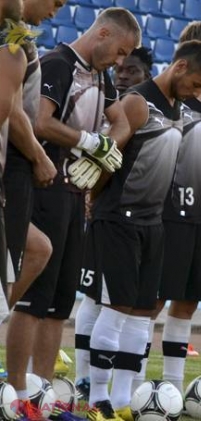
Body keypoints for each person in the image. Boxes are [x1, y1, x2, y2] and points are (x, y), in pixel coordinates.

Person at [5, 7, 141, 421]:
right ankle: (17, 391)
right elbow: (39, 122)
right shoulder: (59, 63)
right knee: (34, 301)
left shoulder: (100, 76)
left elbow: (121, 122)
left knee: (60, 305)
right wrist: (88, 141)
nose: (120, 62)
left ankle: (42, 396)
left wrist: (105, 150)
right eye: (120, 51)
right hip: (43, 188)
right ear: (102, 34)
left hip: (73, 195)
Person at [85, 40, 201, 421]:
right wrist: (92, 199)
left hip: (153, 223)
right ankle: (98, 398)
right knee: (116, 310)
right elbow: (108, 158)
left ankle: (124, 400)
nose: (197, 92)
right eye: (196, 84)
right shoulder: (137, 103)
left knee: (142, 315)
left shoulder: (177, 108)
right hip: (119, 220)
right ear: (180, 67)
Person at [139, 20, 201, 395]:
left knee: (188, 300)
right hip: (166, 209)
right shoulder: (162, 99)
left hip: (200, 211)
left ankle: (173, 386)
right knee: (153, 299)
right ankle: (136, 382)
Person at [73, 45, 155, 403]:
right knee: (94, 297)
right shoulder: (107, 105)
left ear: (147, 75)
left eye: (131, 71)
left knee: (128, 305)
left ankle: (125, 385)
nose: (122, 75)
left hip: (134, 217)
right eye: (120, 70)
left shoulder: (144, 109)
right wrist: (91, 196)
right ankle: (84, 380)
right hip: (105, 213)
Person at [5, 0, 62, 313]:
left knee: (38, 249)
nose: (54, 12)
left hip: (16, 160)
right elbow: (10, 108)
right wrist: (39, 156)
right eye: (56, 3)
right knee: (9, 270)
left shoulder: (19, 35)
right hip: (12, 160)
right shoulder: (11, 37)